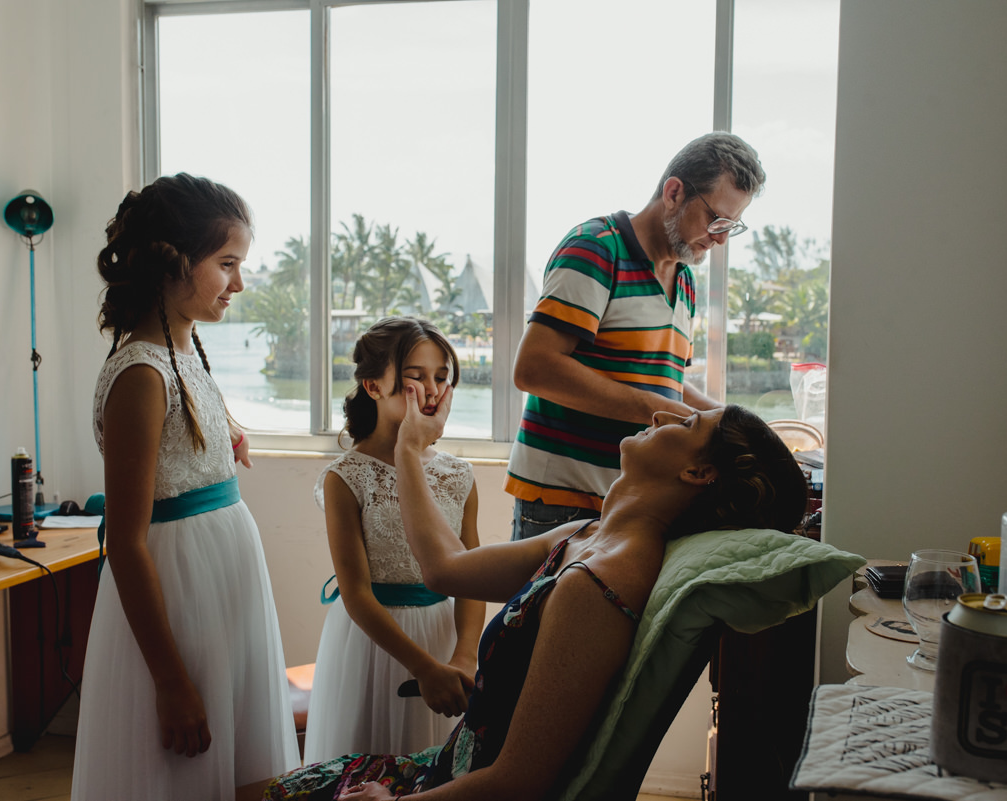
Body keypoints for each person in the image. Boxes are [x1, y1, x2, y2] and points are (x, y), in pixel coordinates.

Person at [237, 391, 807, 801]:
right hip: (445, 767)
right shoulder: (588, 536)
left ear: (698, 472)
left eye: (686, 424)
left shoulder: (599, 584)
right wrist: (408, 454)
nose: (661, 414)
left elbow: (519, 782)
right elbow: (445, 569)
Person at [73, 173, 299, 799]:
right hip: (180, 596)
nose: (240, 283)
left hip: (223, 585)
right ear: (173, 263)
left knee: (239, 763)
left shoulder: (187, 350)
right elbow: (125, 540)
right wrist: (171, 680)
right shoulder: (142, 375)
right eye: (227, 264)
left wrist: (222, 440)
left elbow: (181, 445)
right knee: (184, 772)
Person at [505, 131, 767, 540]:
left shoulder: (684, 281)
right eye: (715, 220)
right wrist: (661, 410)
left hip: (631, 502)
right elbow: (535, 369)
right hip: (563, 501)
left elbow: (666, 383)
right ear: (675, 192)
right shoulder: (596, 248)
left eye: (730, 227)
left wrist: (732, 421)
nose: (719, 239)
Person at [303, 317, 484, 763]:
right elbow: (355, 593)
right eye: (414, 378)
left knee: (436, 768)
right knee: (371, 763)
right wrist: (422, 667)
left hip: (443, 637)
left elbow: (473, 575)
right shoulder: (346, 478)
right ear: (373, 386)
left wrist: (463, 657)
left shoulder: (458, 475)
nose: (432, 390)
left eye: (441, 377)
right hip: (375, 645)